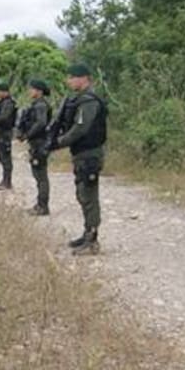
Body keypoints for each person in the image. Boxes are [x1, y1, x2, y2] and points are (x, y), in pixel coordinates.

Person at [49, 63, 106, 255]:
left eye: (72, 77)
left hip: (89, 154)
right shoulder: (78, 99)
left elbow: (80, 128)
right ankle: (87, 233)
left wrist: (59, 142)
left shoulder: (89, 101)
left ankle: (92, 240)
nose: (69, 80)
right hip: (82, 154)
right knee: (83, 194)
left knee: (88, 196)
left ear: (83, 78)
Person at [17, 79, 54, 215]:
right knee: (38, 175)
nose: (29, 91)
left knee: (41, 176)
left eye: (32, 89)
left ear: (38, 91)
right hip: (36, 143)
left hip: (40, 143)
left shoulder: (41, 106)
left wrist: (27, 134)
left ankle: (43, 206)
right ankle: (40, 204)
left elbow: (41, 123)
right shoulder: (37, 104)